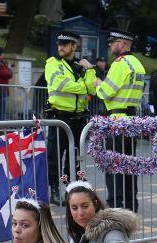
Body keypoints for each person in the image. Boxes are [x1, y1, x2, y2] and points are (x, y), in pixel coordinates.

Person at [44, 31, 99, 205]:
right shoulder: (53, 63)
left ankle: (71, 189)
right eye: (59, 43)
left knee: (74, 157)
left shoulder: (80, 66)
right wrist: (83, 85)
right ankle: (53, 189)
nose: (61, 47)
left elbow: (92, 89)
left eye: (65, 44)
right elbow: (62, 85)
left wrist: (90, 69)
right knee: (55, 155)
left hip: (79, 117)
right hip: (60, 116)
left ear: (74, 47)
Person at [96, 28, 146, 212]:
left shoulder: (119, 63)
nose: (109, 44)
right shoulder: (138, 64)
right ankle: (131, 204)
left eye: (113, 41)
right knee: (129, 164)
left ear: (122, 44)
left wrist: (97, 84)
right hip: (132, 120)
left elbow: (106, 92)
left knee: (114, 164)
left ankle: (115, 205)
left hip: (116, 120)